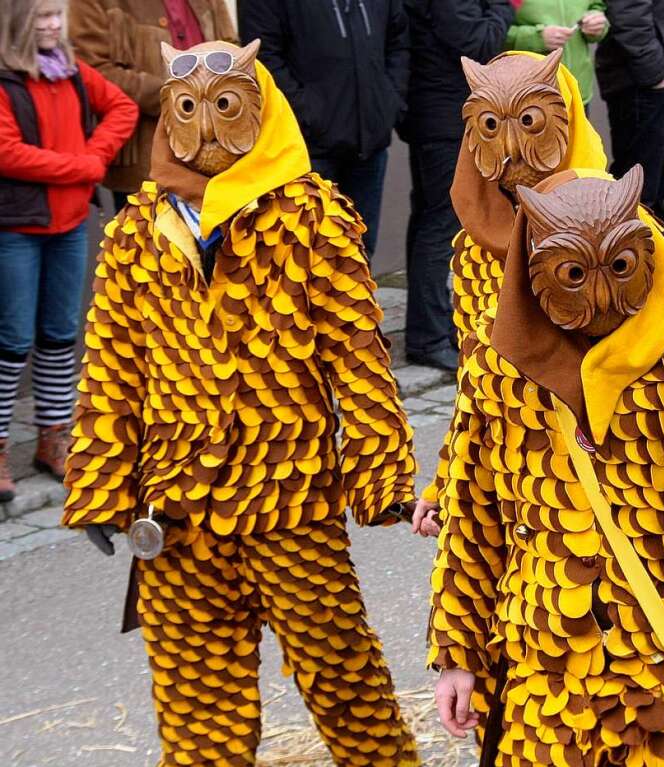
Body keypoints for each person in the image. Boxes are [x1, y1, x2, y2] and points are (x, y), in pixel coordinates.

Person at [61, 39, 420, 766]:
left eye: (225, 107)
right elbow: (112, 368)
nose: (205, 129)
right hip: (176, 516)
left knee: (347, 685)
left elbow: (358, 359)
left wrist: (381, 471)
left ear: (260, 109)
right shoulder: (138, 230)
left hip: (289, 504)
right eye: (188, 109)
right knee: (198, 716)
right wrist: (101, 482)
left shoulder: (311, 218)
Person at [426, 166, 664, 764]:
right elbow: (472, 516)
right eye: (574, 273)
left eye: (620, 266)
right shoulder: (498, 359)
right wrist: (459, 654)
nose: (600, 295)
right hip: (543, 671)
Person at [410, 49, 607, 537]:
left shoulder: (614, 225)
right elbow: (474, 383)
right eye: (492, 127)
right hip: (514, 489)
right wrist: (446, 488)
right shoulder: (475, 246)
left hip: (603, 492)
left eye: (531, 121)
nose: (513, 147)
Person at [0, 0, 137, 503]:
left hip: (71, 222)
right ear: (18, 24)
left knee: (61, 334)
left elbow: (121, 107)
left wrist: (96, 155)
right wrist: (80, 168)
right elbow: (6, 151)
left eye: (57, 16)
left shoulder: (74, 71)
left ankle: (54, 436)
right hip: (17, 226)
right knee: (11, 338)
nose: (54, 26)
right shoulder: (6, 78)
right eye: (42, 19)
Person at [239, 0, 409, 259]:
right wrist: (307, 114)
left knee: (359, 254)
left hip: (369, 144)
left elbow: (398, 40)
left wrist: (389, 101)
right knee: (307, 260)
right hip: (307, 151)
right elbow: (264, 57)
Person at [400, 0, 514, 372]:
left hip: (438, 109)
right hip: (442, 113)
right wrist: (504, 6)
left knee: (431, 220)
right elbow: (480, 42)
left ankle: (431, 326)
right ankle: (427, 336)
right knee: (440, 223)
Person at [69, 0, 236, 209]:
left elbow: (231, 47)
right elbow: (94, 71)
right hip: (145, 161)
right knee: (150, 239)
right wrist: (180, 97)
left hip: (219, 153)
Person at [596, 0, 664, 221]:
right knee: (637, 192)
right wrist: (655, 76)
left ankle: (655, 250)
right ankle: (635, 252)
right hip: (641, 81)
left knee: (657, 187)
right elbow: (628, 13)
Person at [504, 0, 607, 109]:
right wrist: (535, 38)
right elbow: (489, 32)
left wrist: (596, 23)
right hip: (530, 96)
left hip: (578, 93)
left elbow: (596, 6)